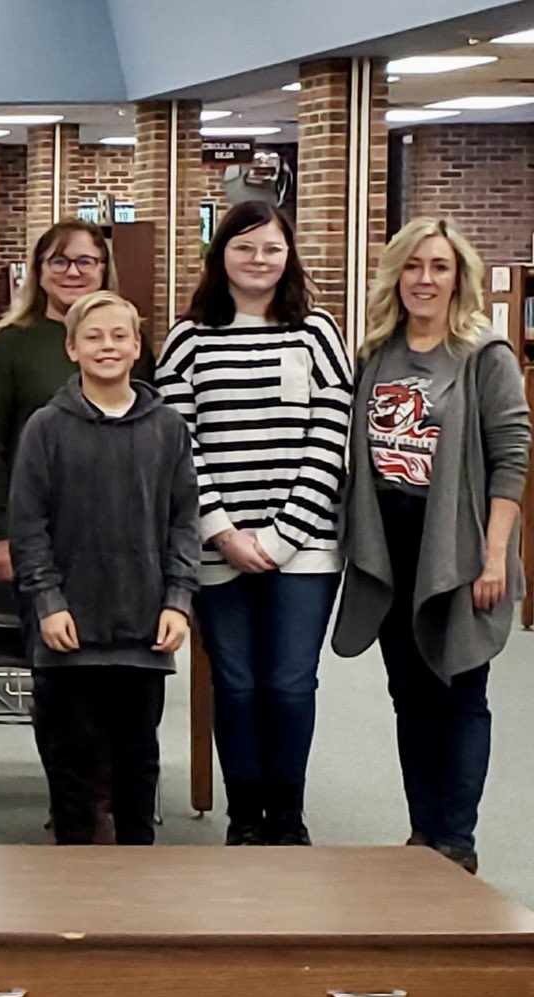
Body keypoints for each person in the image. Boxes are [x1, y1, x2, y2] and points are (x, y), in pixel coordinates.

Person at [332, 217, 529, 876]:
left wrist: (494, 555)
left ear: (458, 277)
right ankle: (424, 833)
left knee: (460, 692)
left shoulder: (484, 354)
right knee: (410, 695)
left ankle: (456, 840)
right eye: (413, 266)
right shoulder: (376, 351)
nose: (425, 279)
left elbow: (511, 459)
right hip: (391, 542)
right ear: (396, 275)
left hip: (460, 543)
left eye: (439, 267)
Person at [154, 201, 352, 847]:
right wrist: (222, 531)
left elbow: (331, 438)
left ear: (288, 256)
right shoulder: (189, 338)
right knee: (235, 684)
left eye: (271, 248)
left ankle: (286, 817)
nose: (258, 260)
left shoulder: (317, 333)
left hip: (306, 545)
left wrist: (283, 535)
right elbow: (179, 445)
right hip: (218, 545)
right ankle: (244, 816)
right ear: (221, 256)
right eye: (244, 247)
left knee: (290, 683)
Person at [9, 291, 198, 847]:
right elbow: (28, 526)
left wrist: (178, 601)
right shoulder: (46, 427)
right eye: (93, 337)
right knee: (71, 770)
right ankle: (73, 879)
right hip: (68, 634)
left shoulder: (168, 427)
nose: (107, 346)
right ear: (72, 348)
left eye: (120, 336)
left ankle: (137, 879)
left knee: (137, 767)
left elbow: (184, 521)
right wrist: (48, 603)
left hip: (143, 633)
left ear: (138, 347)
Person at [0, 220, 156, 583]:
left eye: (85, 261)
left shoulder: (130, 345)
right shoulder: (12, 343)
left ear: (103, 269)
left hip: (119, 533)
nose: (73, 272)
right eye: (59, 261)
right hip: (34, 531)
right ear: (39, 270)